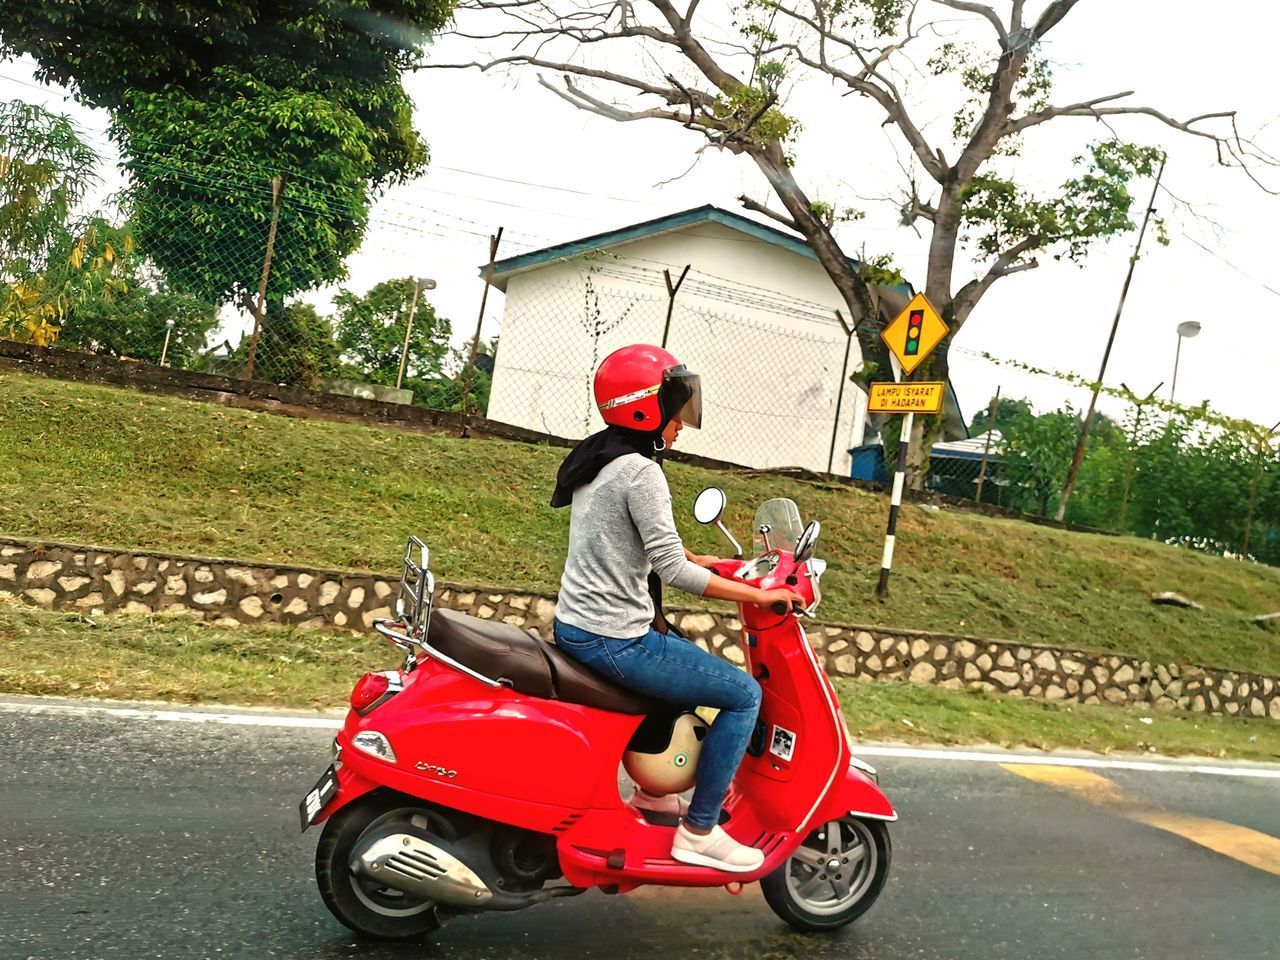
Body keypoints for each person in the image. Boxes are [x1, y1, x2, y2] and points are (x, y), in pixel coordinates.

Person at [550, 344, 805, 874]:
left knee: (682, 659)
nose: (681, 424)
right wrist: (762, 594)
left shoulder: (601, 456)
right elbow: (672, 572)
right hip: (614, 637)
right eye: (675, 407)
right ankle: (700, 831)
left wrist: (705, 557)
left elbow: (623, 541)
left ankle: (655, 795)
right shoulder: (640, 472)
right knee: (742, 695)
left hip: (579, 625)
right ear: (646, 407)